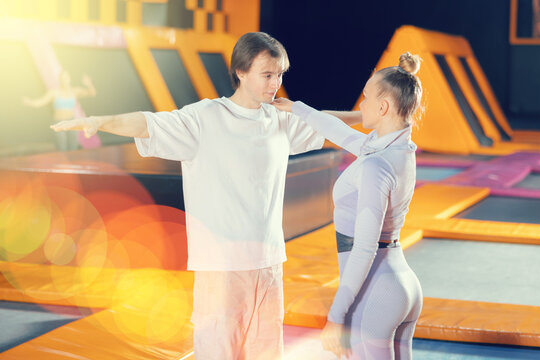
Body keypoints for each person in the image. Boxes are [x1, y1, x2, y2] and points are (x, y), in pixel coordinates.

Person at [51, 32, 359, 360]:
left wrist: (372, 119)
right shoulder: (205, 118)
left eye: (280, 74)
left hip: (268, 261)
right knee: (218, 350)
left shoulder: (279, 120)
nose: (275, 83)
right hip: (221, 265)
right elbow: (149, 124)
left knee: (266, 351)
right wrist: (100, 121)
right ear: (241, 72)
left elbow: (326, 124)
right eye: (267, 75)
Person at [273, 52, 424, 359]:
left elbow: (365, 249)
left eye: (366, 97)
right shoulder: (395, 149)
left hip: (377, 292)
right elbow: (338, 132)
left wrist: (335, 317)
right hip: (401, 282)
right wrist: (296, 108)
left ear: (383, 107)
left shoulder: (376, 165)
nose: (361, 105)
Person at [23, 70, 98, 151]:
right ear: (60, 80)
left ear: (69, 79)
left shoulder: (74, 91)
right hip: (58, 122)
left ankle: (72, 162)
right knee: (61, 148)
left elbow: (92, 93)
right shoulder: (54, 92)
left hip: (71, 121)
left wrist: (89, 84)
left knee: (73, 147)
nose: (64, 81)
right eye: (62, 79)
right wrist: (29, 102)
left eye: (66, 78)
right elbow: (40, 102)